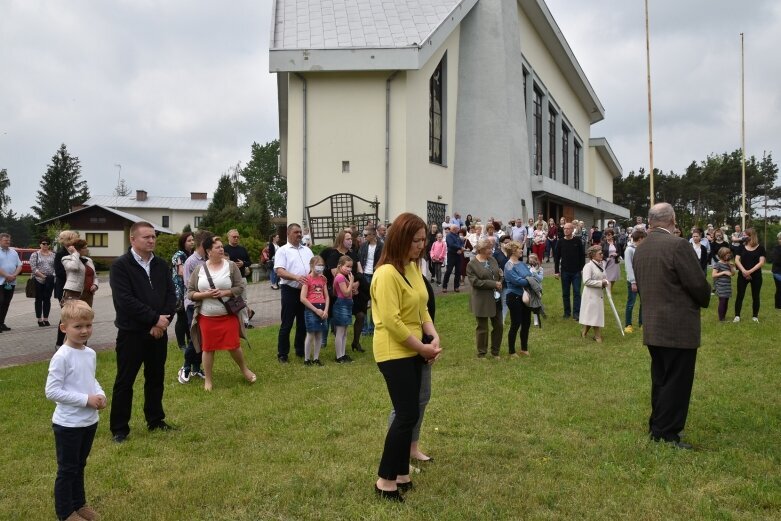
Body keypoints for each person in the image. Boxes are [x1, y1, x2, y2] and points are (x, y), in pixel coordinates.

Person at [371, 212, 441, 502]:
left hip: (413, 347)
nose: (421, 246)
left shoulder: (412, 268)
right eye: (416, 240)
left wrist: (433, 335)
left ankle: (401, 473)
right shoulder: (386, 273)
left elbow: (423, 307)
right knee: (406, 414)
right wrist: (421, 347)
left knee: (410, 411)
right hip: (393, 350)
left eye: (424, 240)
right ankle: (385, 480)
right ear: (400, 239)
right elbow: (392, 320)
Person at [634, 202, 710, 449]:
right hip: (678, 327)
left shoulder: (641, 248)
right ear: (672, 220)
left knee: (661, 378)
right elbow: (698, 285)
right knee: (677, 382)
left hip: (654, 325)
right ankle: (666, 434)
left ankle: (657, 426)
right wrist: (704, 296)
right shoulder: (678, 246)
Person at [109, 222, 176, 443]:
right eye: (146, 237)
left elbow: (170, 295)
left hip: (159, 333)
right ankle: (119, 428)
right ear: (133, 239)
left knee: (155, 378)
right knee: (125, 381)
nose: (151, 240)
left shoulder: (161, 265)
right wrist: (153, 319)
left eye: (153, 237)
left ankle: (155, 420)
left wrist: (162, 322)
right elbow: (125, 300)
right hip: (132, 333)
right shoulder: (121, 266)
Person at [44, 300, 106, 521]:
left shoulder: (89, 353)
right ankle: (65, 512)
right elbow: (51, 391)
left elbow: (90, 380)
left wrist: (100, 395)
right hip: (68, 424)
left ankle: (79, 504)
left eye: (88, 325)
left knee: (80, 466)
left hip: (89, 421)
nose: (84, 331)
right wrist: (84, 400)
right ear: (64, 328)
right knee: (67, 469)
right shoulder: (62, 356)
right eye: (78, 326)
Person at [187, 235, 255, 391]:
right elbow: (190, 293)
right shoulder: (199, 269)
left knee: (234, 346)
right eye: (217, 247)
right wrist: (205, 295)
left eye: (222, 247)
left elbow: (240, 288)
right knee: (208, 348)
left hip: (228, 315)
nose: (221, 249)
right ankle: (208, 381)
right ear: (209, 251)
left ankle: (244, 369)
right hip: (206, 317)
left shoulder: (231, 266)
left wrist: (224, 292)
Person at [274, 223, 314, 363]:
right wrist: (296, 277)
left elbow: (313, 267)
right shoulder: (283, 251)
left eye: (300, 232)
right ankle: (283, 353)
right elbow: (279, 271)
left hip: (305, 291)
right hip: (289, 290)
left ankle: (300, 349)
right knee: (287, 323)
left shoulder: (307, 250)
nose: (299, 234)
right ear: (289, 233)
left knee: (303, 322)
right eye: (296, 232)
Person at [178, 230, 211, 384]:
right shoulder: (191, 261)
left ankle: (196, 368)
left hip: (206, 303)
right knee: (195, 338)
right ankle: (185, 367)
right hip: (193, 304)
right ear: (203, 244)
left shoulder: (208, 259)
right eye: (209, 243)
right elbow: (188, 285)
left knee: (203, 337)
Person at [467, 238, 504, 359]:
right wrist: (493, 284)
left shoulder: (492, 260)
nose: (491, 250)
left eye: (491, 247)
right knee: (482, 327)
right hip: (481, 300)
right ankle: (482, 353)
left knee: (499, 325)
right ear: (481, 249)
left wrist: (500, 279)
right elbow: (475, 282)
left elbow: (498, 275)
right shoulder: (472, 264)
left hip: (495, 298)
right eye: (488, 248)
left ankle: (495, 351)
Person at [504, 241, 538, 357]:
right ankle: (512, 351)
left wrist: (529, 279)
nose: (521, 251)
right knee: (516, 323)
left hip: (526, 296)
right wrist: (529, 280)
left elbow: (531, 276)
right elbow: (518, 281)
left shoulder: (522, 264)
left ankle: (524, 348)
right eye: (519, 249)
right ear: (513, 251)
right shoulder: (508, 266)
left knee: (526, 323)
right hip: (514, 296)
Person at [300, 255, 329, 366]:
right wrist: (316, 310)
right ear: (312, 266)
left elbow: (326, 296)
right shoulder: (307, 279)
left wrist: (325, 310)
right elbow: (302, 298)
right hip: (311, 309)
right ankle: (307, 359)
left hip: (322, 308)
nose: (320, 267)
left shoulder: (323, 279)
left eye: (322, 265)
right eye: (318, 265)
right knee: (311, 334)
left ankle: (316, 358)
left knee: (319, 335)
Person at [733, 227, 766, 323]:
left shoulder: (761, 248)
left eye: (745, 235)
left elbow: (761, 262)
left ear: (751, 236)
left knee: (756, 296)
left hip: (756, 276)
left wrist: (749, 272)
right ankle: (737, 316)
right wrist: (744, 271)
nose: (743, 236)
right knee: (740, 295)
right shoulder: (741, 247)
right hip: (742, 275)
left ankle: (755, 316)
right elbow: (736, 260)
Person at [223, 229, 254, 329]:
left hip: (241, 277)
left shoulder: (242, 249)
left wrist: (243, 264)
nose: (236, 238)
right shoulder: (224, 249)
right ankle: (231, 320)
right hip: (228, 279)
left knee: (243, 300)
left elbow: (249, 262)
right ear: (228, 237)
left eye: (237, 237)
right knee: (229, 300)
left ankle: (245, 321)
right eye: (234, 237)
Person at [53, 231, 80, 347]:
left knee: (76, 315)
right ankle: (59, 343)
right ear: (67, 240)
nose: (76, 240)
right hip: (65, 289)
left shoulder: (76, 252)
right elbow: (59, 273)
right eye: (74, 238)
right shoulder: (60, 254)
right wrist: (74, 275)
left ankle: (74, 341)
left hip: (77, 289)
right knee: (68, 316)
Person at [555, 222, 585, 321]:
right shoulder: (560, 242)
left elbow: (582, 256)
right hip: (565, 272)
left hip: (576, 271)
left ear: (572, 230)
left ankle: (576, 313)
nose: (566, 230)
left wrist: (582, 269)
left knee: (577, 292)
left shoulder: (578, 241)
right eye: (564, 229)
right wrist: (556, 271)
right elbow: (557, 257)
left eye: (568, 228)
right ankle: (567, 313)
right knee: (565, 293)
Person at [171, 232, 194, 350]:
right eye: (189, 240)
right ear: (183, 242)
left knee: (188, 316)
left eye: (192, 240)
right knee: (182, 317)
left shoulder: (191, 255)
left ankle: (190, 340)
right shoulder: (179, 255)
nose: (192, 242)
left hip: (188, 289)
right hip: (179, 291)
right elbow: (181, 272)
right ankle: (181, 344)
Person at [580, 246, 608, 342]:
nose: (602, 255)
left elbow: (604, 277)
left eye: (602, 253)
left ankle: (584, 331)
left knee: (593, 314)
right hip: (590, 295)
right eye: (599, 253)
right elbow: (586, 281)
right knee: (595, 315)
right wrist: (600, 283)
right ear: (593, 255)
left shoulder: (601, 264)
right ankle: (597, 336)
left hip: (599, 293)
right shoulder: (588, 266)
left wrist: (605, 282)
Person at [332, 255, 356, 363]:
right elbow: (346, 293)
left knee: (345, 331)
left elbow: (350, 292)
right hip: (342, 304)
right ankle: (339, 356)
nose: (349, 269)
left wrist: (351, 287)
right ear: (340, 266)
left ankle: (343, 353)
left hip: (346, 304)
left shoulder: (343, 277)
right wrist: (351, 282)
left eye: (351, 267)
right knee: (340, 331)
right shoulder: (340, 277)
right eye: (347, 266)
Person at [360, 226, 383, 336]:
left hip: (376, 275)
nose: (364, 237)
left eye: (366, 235)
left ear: (373, 235)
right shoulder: (364, 246)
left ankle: (372, 328)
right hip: (365, 275)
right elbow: (360, 260)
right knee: (364, 302)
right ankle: (364, 329)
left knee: (375, 302)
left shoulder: (381, 246)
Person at [61, 239, 99, 307]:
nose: (87, 249)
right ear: (78, 249)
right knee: (72, 315)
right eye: (85, 248)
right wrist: (75, 253)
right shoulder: (66, 259)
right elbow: (74, 267)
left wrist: (95, 285)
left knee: (86, 315)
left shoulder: (88, 260)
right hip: (74, 292)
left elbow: (94, 276)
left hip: (88, 293)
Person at [623, 228, 647, 334]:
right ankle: (628, 325)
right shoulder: (629, 250)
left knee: (644, 303)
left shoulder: (642, 248)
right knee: (631, 303)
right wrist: (633, 281)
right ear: (640, 238)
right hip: (633, 281)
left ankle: (642, 323)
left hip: (643, 280)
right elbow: (628, 266)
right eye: (644, 239)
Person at [30, 237, 56, 327]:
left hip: (50, 279)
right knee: (39, 299)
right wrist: (42, 276)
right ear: (40, 244)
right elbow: (33, 268)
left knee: (47, 299)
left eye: (47, 243)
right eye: (43, 243)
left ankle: (46, 318)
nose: (45, 245)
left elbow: (55, 267)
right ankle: (39, 319)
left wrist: (52, 276)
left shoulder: (53, 255)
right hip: (38, 279)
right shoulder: (35, 254)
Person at [0, 232, 22, 332]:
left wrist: (14, 275)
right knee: (0, 301)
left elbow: (19, 265)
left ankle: (1, 323)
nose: (8, 242)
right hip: (1, 281)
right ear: (0, 240)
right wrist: (6, 275)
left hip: (11, 282)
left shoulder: (14, 252)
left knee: (6, 303)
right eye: (5, 240)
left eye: (9, 240)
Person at [712, 247, 735, 321]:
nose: (728, 256)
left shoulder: (728, 264)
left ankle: (723, 317)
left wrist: (731, 267)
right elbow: (713, 275)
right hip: (720, 286)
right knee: (722, 301)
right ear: (722, 255)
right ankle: (721, 318)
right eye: (726, 254)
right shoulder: (718, 264)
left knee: (726, 302)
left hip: (727, 285)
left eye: (729, 254)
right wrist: (724, 272)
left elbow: (733, 274)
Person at [441, 224, 463, 293]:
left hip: (458, 256)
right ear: (453, 229)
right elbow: (451, 244)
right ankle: (444, 286)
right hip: (451, 255)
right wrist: (459, 248)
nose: (458, 229)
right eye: (457, 228)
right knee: (449, 271)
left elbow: (461, 243)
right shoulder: (449, 236)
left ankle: (456, 287)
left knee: (458, 271)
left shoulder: (457, 236)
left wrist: (461, 249)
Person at [771, 231, 781, 310]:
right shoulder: (776, 249)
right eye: (780, 239)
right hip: (777, 272)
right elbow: (776, 260)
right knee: (779, 288)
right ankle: (778, 306)